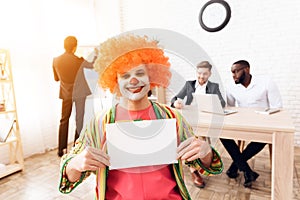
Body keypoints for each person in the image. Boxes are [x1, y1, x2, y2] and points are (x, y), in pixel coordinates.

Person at [58, 34, 223, 200]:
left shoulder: (171, 117)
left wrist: (205, 151)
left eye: (140, 73)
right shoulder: (100, 123)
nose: (134, 80)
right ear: (115, 80)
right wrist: (75, 163)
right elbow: (70, 176)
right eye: (125, 75)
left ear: (151, 76)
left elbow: (204, 164)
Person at [220, 60, 282, 188]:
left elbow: (277, 107)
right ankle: (247, 171)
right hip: (242, 123)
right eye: (232, 72)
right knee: (222, 133)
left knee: (263, 137)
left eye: (236, 71)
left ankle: (235, 167)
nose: (233, 75)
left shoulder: (266, 82)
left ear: (246, 69)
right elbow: (229, 108)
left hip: (263, 123)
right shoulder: (231, 87)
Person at [170, 61, 225, 188]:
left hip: (207, 119)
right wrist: (176, 103)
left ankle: (198, 165)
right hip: (190, 119)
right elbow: (174, 99)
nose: (201, 76)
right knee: (196, 138)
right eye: (199, 73)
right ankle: (194, 171)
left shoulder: (214, 87)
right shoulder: (189, 85)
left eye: (205, 74)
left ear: (209, 74)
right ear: (196, 72)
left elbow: (222, 103)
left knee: (199, 139)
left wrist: (213, 102)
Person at [53, 36, 96, 157]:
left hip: (65, 94)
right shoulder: (78, 60)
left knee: (63, 120)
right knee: (79, 119)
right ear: (75, 46)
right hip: (79, 93)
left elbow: (56, 79)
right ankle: (76, 147)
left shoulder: (55, 60)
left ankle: (61, 150)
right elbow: (92, 66)